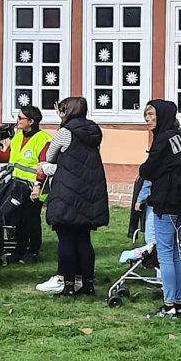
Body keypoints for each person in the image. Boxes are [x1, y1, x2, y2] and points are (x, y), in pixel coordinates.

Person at [37, 97, 109, 298]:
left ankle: (68, 285)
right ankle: (88, 284)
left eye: (61, 110)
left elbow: (50, 157)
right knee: (84, 240)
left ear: (68, 111)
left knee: (66, 240)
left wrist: (45, 167)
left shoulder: (64, 133)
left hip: (67, 192)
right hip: (88, 192)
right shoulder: (94, 132)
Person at [139, 99, 181, 319]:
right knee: (175, 253)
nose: (148, 120)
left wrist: (144, 166)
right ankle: (180, 302)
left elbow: (148, 170)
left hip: (165, 200)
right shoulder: (179, 137)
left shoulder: (162, 140)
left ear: (162, 115)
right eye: (146, 116)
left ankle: (169, 304)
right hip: (180, 201)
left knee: (165, 254)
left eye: (151, 115)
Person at [0, 106, 51, 264]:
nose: (17, 121)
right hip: (17, 186)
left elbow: (43, 165)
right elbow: (8, 157)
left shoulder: (43, 139)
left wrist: (37, 185)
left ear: (31, 121)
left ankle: (32, 251)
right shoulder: (19, 136)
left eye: (21, 118)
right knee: (19, 220)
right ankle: (19, 250)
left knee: (32, 220)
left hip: (34, 187)